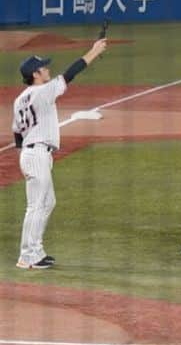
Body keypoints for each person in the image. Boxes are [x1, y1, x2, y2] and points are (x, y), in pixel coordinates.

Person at [13, 39, 109, 270]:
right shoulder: (43, 92)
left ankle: (36, 249)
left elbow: (17, 134)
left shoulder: (20, 99)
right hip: (36, 154)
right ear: (35, 74)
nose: (48, 69)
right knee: (36, 205)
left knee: (47, 202)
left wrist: (29, 154)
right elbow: (70, 74)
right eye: (44, 68)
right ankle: (27, 256)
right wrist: (94, 51)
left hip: (32, 153)